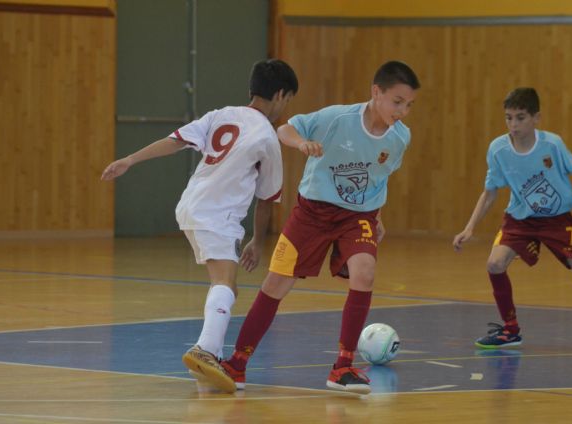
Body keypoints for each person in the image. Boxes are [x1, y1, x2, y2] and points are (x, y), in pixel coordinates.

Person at [207, 61, 421, 395]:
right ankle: (236, 363)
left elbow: (379, 177)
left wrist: (376, 217)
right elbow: (285, 129)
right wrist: (301, 144)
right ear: (376, 92)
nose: (403, 111)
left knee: (365, 272)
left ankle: (343, 367)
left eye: (409, 104)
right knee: (276, 284)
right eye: (397, 101)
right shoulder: (337, 118)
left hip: (358, 216)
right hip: (313, 213)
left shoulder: (400, 138)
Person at [101, 59, 299, 393]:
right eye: (288, 100)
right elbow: (267, 199)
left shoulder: (221, 114)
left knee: (227, 288)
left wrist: (130, 160)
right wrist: (257, 242)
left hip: (191, 205)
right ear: (280, 95)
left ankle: (209, 360)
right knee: (224, 283)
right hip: (217, 215)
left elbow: (176, 140)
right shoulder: (267, 136)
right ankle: (205, 351)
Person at [452, 87, 572, 351]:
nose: (513, 124)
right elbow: (490, 192)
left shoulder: (552, 144)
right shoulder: (498, 150)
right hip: (520, 220)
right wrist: (469, 227)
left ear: (536, 118)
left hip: (557, 221)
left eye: (520, 117)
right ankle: (510, 330)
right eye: (508, 118)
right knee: (495, 264)